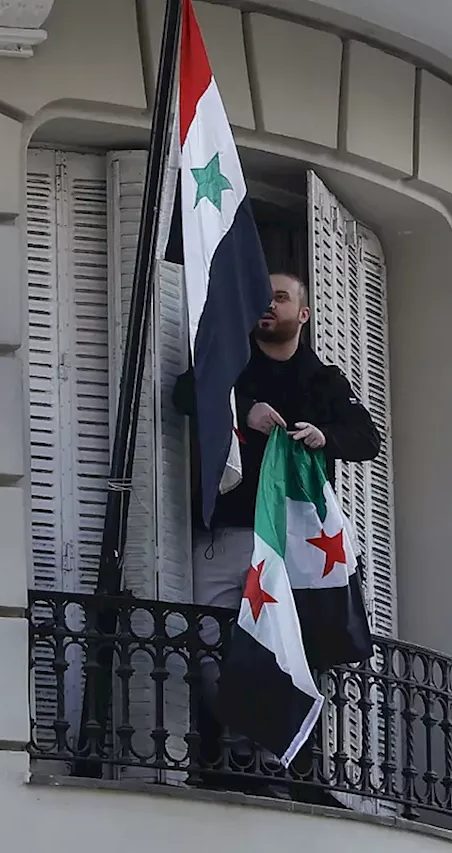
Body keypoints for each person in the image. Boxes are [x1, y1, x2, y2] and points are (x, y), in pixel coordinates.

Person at [173, 270, 381, 795]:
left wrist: (322, 435)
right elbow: (183, 395)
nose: (269, 304)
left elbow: (366, 439)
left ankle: (273, 760)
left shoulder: (324, 381)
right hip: (228, 533)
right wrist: (240, 409)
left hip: (292, 542)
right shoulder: (231, 365)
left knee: (289, 647)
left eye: (281, 297)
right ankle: (231, 748)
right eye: (262, 296)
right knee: (207, 645)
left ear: (303, 315)